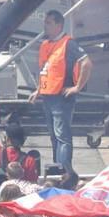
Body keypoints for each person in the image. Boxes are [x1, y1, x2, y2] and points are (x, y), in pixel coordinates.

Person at [33, 10, 87, 176]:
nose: (45, 26)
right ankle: (57, 169)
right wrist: (38, 90)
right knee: (54, 136)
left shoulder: (68, 44)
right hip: (48, 97)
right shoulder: (46, 44)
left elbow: (86, 63)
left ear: (59, 25)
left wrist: (77, 87)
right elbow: (44, 70)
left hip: (61, 97)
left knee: (62, 136)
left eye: (49, 23)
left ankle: (64, 172)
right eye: (45, 22)